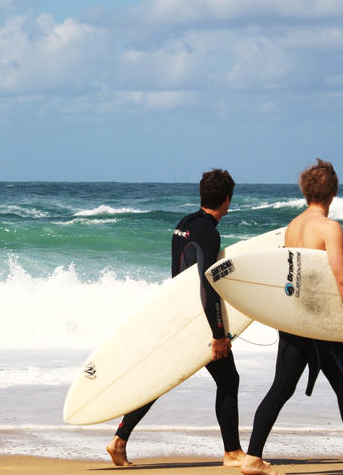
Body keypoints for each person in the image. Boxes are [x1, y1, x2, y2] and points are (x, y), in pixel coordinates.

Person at [240, 160, 343, 475]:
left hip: (294, 319)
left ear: (305, 192)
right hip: (318, 323)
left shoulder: (292, 227)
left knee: (281, 387)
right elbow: (342, 278)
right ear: (333, 193)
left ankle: (252, 457)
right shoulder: (330, 228)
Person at [106, 169, 245, 468]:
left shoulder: (184, 224)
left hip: (177, 315)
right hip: (198, 321)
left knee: (161, 379)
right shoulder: (209, 232)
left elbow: (179, 277)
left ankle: (119, 440)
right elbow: (206, 284)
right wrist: (219, 333)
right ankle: (232, 452)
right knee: (229, 380)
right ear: (226, 200)